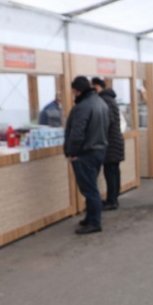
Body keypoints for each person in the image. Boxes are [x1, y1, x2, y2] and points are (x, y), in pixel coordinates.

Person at [64, 76, 108, 235]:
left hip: (85, 153)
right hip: (99, 151)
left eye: (73, 91)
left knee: (90, 190)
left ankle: (95, 222)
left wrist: (72, 153)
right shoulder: (100, 102)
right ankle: (90, 218)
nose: (73, 94)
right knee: (91, 187)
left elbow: (77, 133)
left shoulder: (82, 107)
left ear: (78, 91)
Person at [91, 77, 125, 211]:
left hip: (110, 142)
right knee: (114, 171)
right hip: (115, 141)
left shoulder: (104, 100)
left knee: (110, 172)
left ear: (98, 87)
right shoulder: (110, 99)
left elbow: (107, 121)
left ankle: (112, 200)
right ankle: (114, 197)